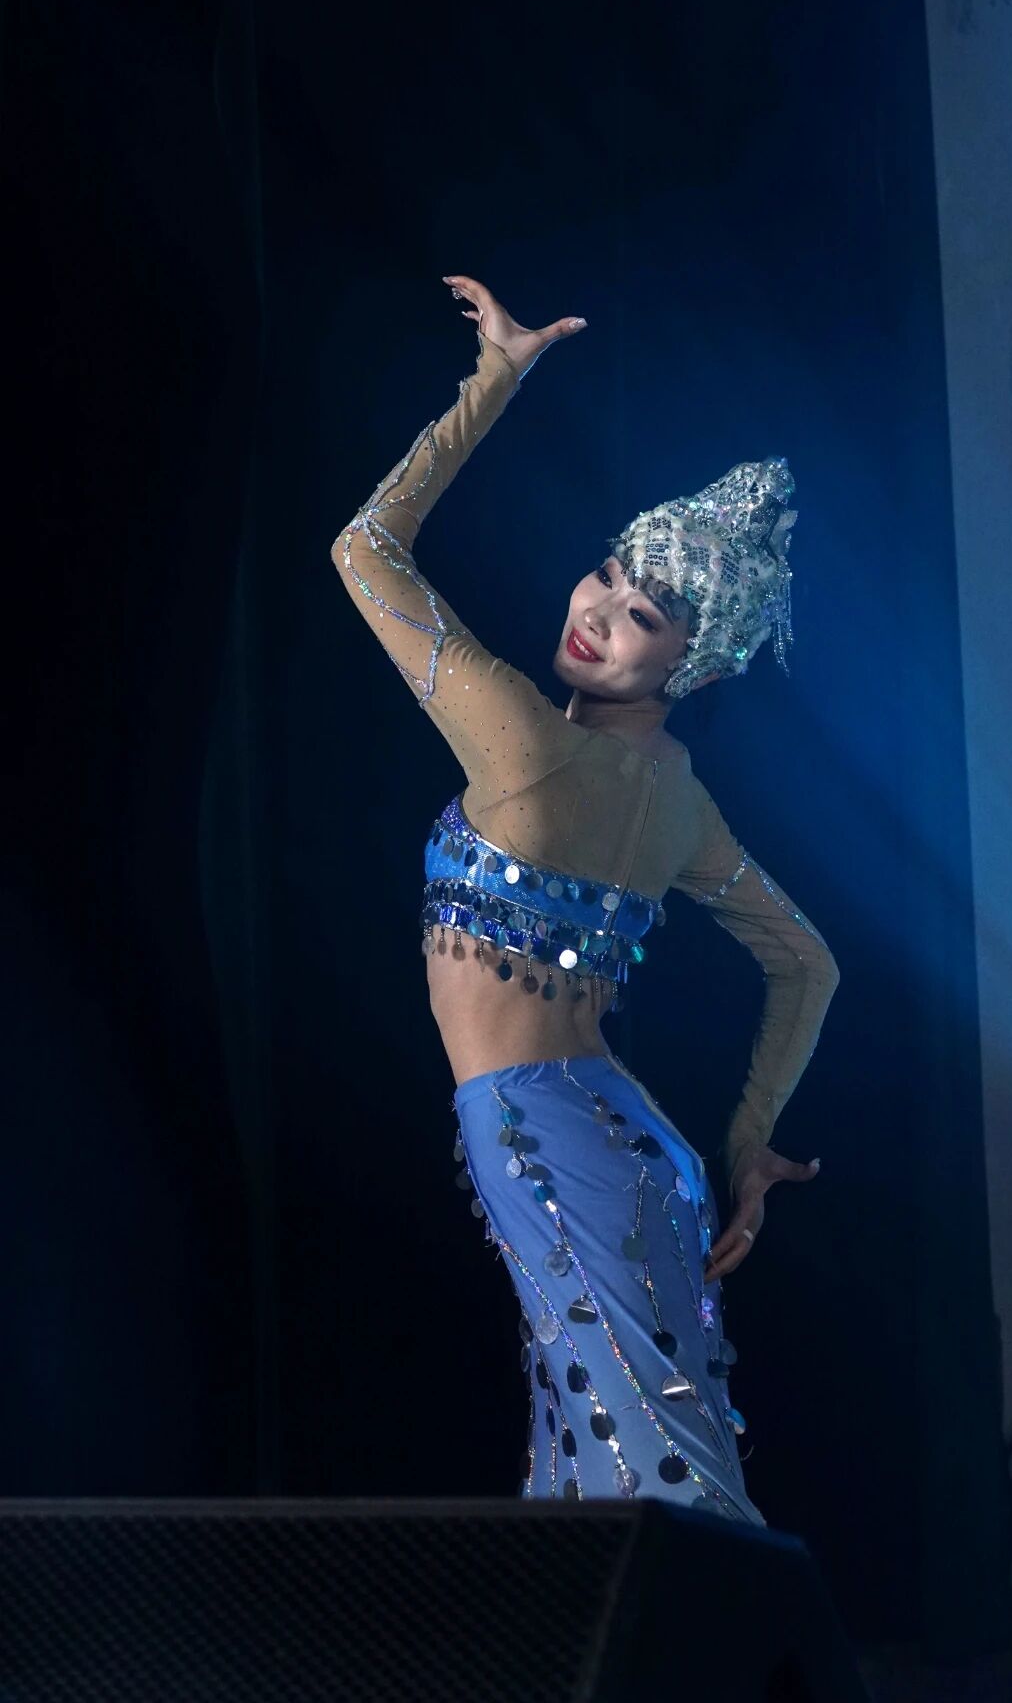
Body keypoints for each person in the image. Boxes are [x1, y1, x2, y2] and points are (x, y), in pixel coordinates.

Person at [331, 275, 839, 1522]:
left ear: (692, 663)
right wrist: (745, 1142)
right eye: (605, 577)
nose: (597, 615)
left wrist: (493, 379)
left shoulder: (518, 735)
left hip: (545, 1141)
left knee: (647, 1486)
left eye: (641, 615)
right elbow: (806, 963)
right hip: (624, 1145)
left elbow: (363, 550)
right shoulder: (681, 805)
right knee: (610, 1479)